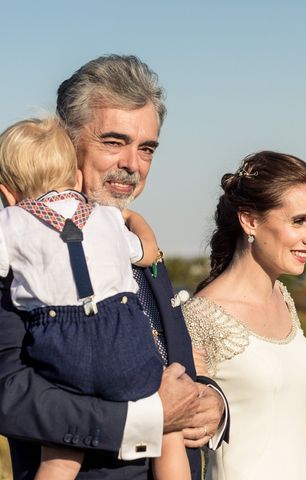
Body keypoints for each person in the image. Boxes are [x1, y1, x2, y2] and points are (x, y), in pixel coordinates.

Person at [0, 55, 228, 480]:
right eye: (113, 141)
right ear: (66, 143)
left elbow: (171, 366)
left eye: (146, 149)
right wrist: (147, 419)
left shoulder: (135, 247)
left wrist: (212, 404)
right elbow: (9, 395)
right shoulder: (20, 260)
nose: (133, 164)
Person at [183, 151, 306, 479]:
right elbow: (188, 429)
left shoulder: (283, 299)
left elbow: (263, 414)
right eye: (299, 221)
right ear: (250, 220)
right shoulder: (199, 316)